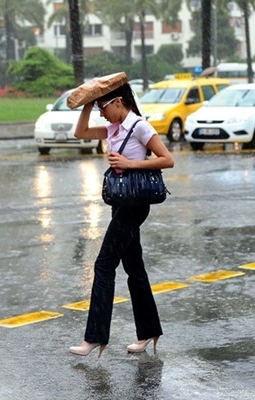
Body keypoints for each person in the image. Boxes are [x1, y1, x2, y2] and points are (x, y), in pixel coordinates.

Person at [69, 83, 174, 357]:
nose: (102, 115)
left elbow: (167, 159)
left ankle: (94, 338)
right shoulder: (113, 128)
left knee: (103, 265)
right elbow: (80, 132)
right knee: (134, 268)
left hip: (135, 204)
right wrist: (89, 103)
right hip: (120, 204)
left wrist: (129, 164)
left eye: (103, 108)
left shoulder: (139, 126)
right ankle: (149, 331)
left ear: (118, 102)